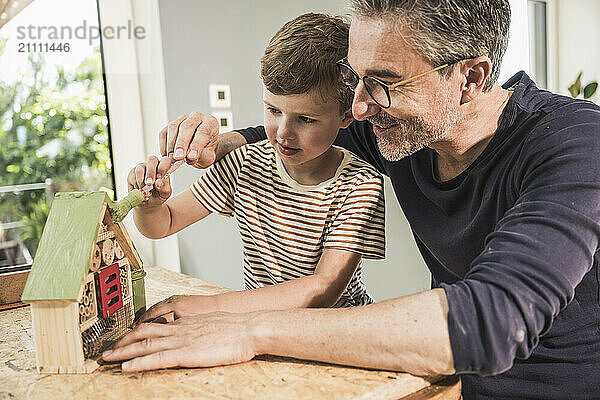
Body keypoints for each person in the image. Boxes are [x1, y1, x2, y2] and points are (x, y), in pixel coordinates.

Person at [104, 1, 600, 398]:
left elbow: (489, 322)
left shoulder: (577, 146)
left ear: (469, 78)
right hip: (446, 385)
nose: (358, 107)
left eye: (381, 84)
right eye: (355, 78)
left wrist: (247, 330)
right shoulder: (402, 130)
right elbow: (279, 137)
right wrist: (210, 140)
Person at [124, 13, 386, 321]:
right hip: (262, 326)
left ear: (345, 117)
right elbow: (163, 225)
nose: (283, 132)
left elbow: (322, 289)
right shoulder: (246, 162)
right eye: (274, 110)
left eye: (306, 119)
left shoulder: (360, 185)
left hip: (337, 330)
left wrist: (208, 306)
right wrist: (150, 206)